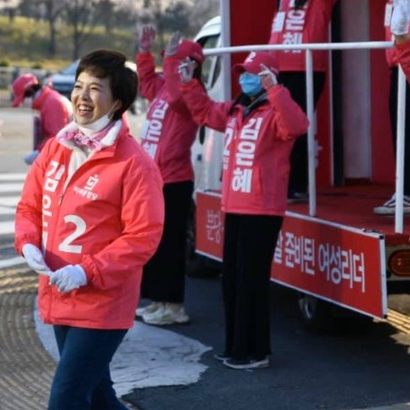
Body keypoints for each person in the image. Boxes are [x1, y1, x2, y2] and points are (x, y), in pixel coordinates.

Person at [14, 49, 164, 409]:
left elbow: (143, 236)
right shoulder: (57, 147)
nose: (82, 96)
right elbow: (29, 206)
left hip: (102, 301)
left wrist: (86, 271)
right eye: (79, 86)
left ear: (117, 102)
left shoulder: (134, 164)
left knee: (66, 398)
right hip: (57, 290)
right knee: (97, 395)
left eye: (95, 88)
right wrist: (28, 242)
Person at [177, 51, 309, 369]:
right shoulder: (237, 109)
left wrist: (277, 90)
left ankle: (256, 351)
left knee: (252, 280)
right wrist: (189, 83)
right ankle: (236, 346)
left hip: (262, 208)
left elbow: (298, 125)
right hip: (234, 204)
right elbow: (205, 112)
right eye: (243, 72)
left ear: (269, 76)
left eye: (252, 73)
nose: (245, 78)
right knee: (232, 279)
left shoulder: (276, 108)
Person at [134, 27, 203, 326]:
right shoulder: (164, 87)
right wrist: (144, 52)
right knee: (156, 244)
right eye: (168, 60)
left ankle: (174, 306)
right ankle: (160, 301)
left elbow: (176, 95)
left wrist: (174, 64)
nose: (168, 65)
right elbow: (147, 82)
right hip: (154, 177)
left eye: (174, 61)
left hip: (174, 180)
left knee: (171, 246)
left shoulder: (189, 93)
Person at [268, 0, 338, 203]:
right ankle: (280, 183)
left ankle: (295, 185)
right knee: (275, 129)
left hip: (305, 68)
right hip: (276, 68)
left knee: (294, 130)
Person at [375, 0, 410, 214]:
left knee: (406, 132)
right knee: (401, 132)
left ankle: (406, 192)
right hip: (397, 66)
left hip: (406, 63)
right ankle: (404, 191)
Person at [11, 73, 72, 165]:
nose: (24, 102)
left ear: (30, 90)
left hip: (66, 157)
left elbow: (57, 137)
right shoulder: (48, 101)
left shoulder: (52, 103)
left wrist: (39, 153)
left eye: (24, 98)